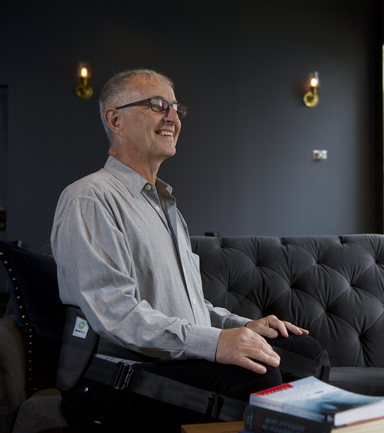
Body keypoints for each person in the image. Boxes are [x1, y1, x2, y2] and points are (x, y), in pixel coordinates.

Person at [51, 69, 327, 432]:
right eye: (156, 105)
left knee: (303, 355)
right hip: (113, 378)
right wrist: (217, 343)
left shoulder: (167, 208)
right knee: (258, 376)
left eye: (176, 108)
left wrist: (243, 327)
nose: (172, 116)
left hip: (167, 359)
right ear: (115, 119)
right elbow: (118, 316)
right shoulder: (89, 198)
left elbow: (191, 308)